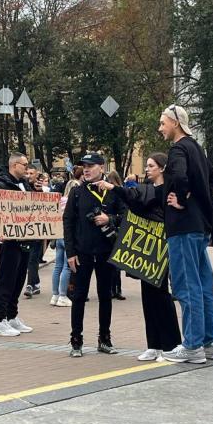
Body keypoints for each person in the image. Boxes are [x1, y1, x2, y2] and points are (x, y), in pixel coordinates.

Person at [95, 152, 182, 361]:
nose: (147, 169)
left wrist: (114, 188)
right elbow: (133, 201)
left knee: (161, 296)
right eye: (147, 166)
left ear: (162, 168)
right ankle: (153, 345)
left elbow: (135, 197)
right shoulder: (149, 190)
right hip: (146, 250)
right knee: (148, 296)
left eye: (151, 166)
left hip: (161, 247)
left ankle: (171, 345)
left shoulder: (167, 190)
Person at [158, 105, 213, 364]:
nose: (160, 128)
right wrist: (197, 199)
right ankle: (208, 343)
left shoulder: (178, 149)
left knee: (186, 285)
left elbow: (181, 177)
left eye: (162, 123)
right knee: (204, 284)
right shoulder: (197, 148)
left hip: (182, 227)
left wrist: (182, 199)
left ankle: (192, 345)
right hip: (199, 226)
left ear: (175, 123)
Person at [63, 152, 126, 357]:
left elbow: (125, 216)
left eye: (91, 166)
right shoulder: (77, 192)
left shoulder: (113, 192)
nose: (87, 169)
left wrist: (110, 219)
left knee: (105, 296)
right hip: (83, 253)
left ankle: (104, 339)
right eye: (84, 166)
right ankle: (76, 340)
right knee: (79, 296)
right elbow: (68, 222)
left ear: (102, 167)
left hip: (106, 252)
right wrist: (70, 253)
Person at [0, 152, 36, 337]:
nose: (27, 168)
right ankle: (0, 320)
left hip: (24, 238)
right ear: (14, 165)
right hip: (9, 240)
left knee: (18, 279)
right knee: (6, 279)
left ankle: (12, 316)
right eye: (24, 165)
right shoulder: (1, 184)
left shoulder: (23, 184)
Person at [50, 179, 78, 308]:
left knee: (58, 266)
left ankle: (55, 295)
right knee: (67, 266)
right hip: (68, 236)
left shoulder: (60, 201)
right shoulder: (73, 202)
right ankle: (62, 295)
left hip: (58, 235)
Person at [23, 164, 45, 298]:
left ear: (36, 175)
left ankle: (30, 285)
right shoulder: (21, 188)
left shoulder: (41, 189)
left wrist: (40, 192)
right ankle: (35, 282)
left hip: (37, 231)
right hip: (24, 230)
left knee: (32, 259)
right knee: (29, 260)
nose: (29, 176)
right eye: (27, 173)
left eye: (32, 173)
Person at [106, 170, 127, 301]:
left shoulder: (114, 193)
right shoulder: (119, 192)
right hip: (116, 229)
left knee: (112, 261)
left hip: (112, 228)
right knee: (115, 262)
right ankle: (116, 289)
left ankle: (113, 289)